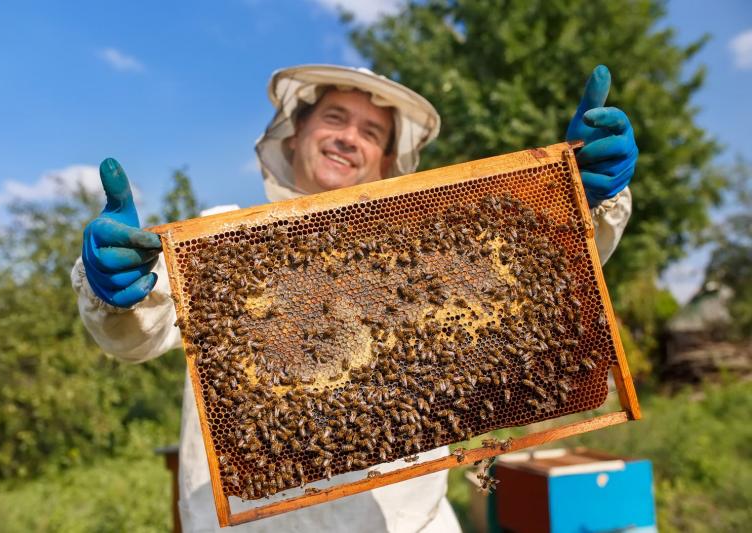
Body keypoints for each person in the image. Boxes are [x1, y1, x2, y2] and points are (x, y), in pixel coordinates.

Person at [73, 64, 636, 532]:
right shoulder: (220, 238)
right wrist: (118, 292)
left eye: (371, 131)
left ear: (389, 162)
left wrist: (575, 199)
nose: (349, 136)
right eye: (335, 118)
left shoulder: (423, 244)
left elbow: (537, 273)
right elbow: (140, 333)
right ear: (294, 135)